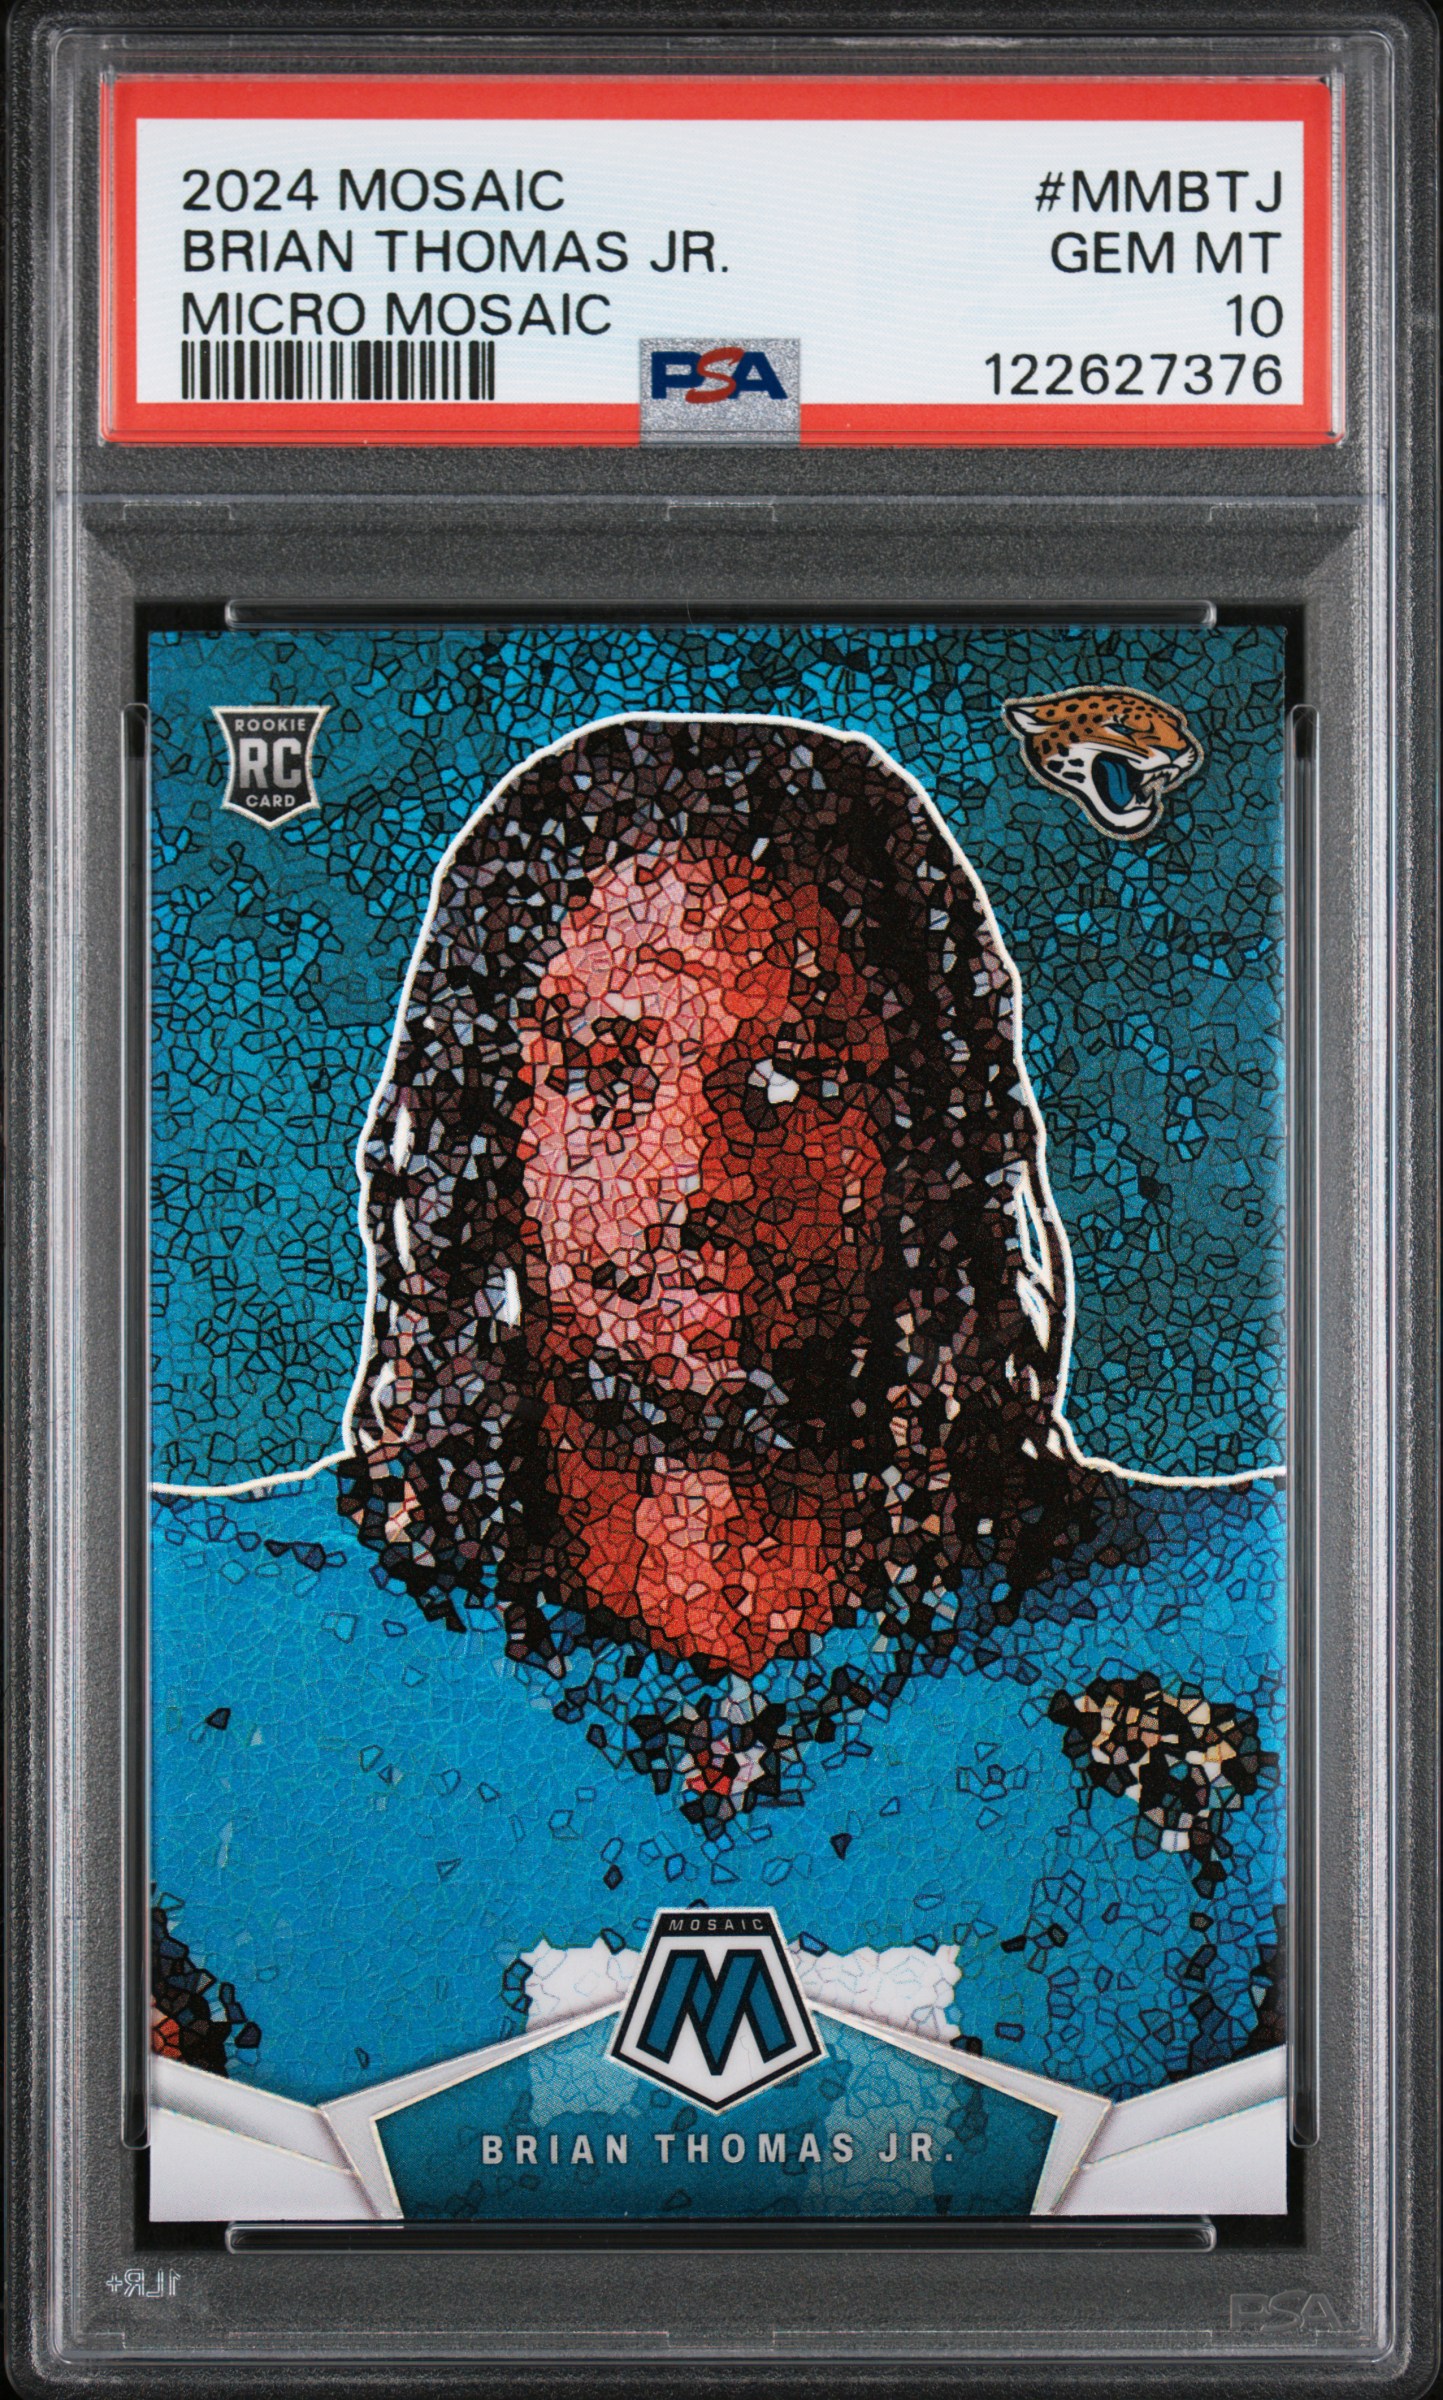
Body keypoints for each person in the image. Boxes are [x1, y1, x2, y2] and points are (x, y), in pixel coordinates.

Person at [151, 716, 1284, 2161]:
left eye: (795, 1080)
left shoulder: (1252, 1623)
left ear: (923, 1136)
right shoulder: (185, 1644)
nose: (693, 1172)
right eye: (602, 1076)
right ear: (487, 1131)